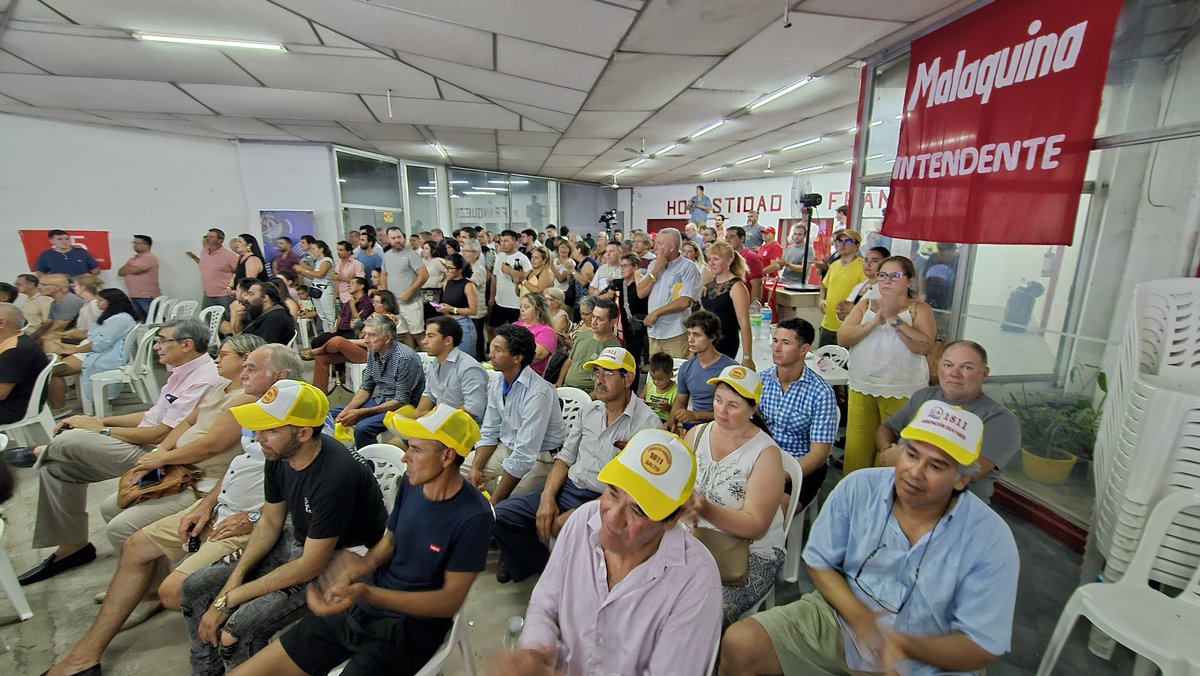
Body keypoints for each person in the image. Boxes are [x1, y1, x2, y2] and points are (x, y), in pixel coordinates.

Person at [720, 402, 1019, 676]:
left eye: (936, 465)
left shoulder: (989, 538)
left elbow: (981, 646)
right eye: (911, 454)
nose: (915, 472)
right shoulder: (859, 488)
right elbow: (820, 562)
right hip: (842, 616)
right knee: (740, 643)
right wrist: (860, 617)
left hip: (932, 649)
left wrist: (904, 647)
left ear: (963, 477)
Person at [235, 404, 494, 676]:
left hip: (407, 629)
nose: (405, 457)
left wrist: (367, 591)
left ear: (447, 456)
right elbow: (391, 539)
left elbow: (448, 602)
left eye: (416, 449)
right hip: (363, 603)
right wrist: (361, 568)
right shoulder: (412, 482)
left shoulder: (473, 517)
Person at [181, 380, 388, 674]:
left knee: (238, 631)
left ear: (303, 433)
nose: (259, 436)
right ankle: (206, 671)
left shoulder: (334, 477)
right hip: (301, 539)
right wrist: (230, 588)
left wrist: (229, 601)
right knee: (194, 588)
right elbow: (269, 521)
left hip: (339, 558)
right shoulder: (279, 454)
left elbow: (310, 564)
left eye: (270, 429)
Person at [10, 319, 224, 584]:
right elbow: (150, 416)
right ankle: (72, 547)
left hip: (165, 456)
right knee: (57, 468)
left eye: (162, 341)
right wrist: (100, 421)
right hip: (146, 443)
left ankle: (40, 449)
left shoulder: (203, 379)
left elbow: (162, 433)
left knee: (70, 441)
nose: (156, 347)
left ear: (187, 344)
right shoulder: (180, 372)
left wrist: (99, 431)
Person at [493, 429, 721, 676]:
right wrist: (535, 654)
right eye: (613, 492)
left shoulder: (696, 581)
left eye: (638, 511)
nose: (612, 519)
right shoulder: (582, 521)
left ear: (674, 517)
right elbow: (545, 604)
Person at [494, 346, 661, 583]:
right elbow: (564, 459)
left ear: (628, 378)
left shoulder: (648, 425)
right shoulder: (588, 411)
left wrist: (581, 514)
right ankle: (548, 570)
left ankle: (568, 577)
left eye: (608, 374)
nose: (599, 381)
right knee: (503, 515)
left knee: (579, 532)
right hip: (569, 488)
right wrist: (547, 497)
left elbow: (637, 490)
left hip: (608, 500)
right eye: (596, 374)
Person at [685, 365, 786, 626]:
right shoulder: (696, 435)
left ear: (753, 410)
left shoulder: (765, 454)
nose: (720, 410)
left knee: (700, 619)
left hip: (746, 554)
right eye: (718, 400)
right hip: (695, 540)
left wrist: (705, 509)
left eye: (733, 405)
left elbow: (755, 525)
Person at [876, 340, 1020, 502]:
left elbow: (973, 471)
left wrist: (903, 458)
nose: (955, 373)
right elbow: (887, 428)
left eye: (967, 367)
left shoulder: (1000, 419)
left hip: (956, 504)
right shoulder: (924, 396)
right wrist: (887, 450)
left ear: (984, 373)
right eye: (948, 365)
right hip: (901, 492)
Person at [839, 256, 936, 475]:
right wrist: (874, 322)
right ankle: (855, 494)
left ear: (909, 280)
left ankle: (885, 496)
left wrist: (894, 319)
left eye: (895, 276)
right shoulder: (865, 304)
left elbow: (923, 346)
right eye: (882, 275)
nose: (887, 281)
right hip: (862, 384)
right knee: (857, 447)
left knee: (891, 449)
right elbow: (843, 337)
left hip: (901, 388)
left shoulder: (919, 309)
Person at [463, 324, 565, 504]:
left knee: (507, 503)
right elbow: (489, 432)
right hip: (507, 448)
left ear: (517, 357)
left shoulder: (538, 392)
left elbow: (525, 454)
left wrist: (493, 505)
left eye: (497, 350)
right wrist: (476, 469)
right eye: (491, 347)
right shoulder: (497, 384)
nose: (490, 354)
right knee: (453, 472)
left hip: (540, 458)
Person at [758, 318, 837, 509]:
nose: (776, 348)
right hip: (763, 458)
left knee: (771, 512)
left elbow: (818, 454)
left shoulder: (821, 393)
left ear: (804, 349)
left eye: (785, 343)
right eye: (775, 341)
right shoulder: (761, 380)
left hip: (802, 466)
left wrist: (784, 475)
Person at [331, 315, 425, 449]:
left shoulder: (404, 358)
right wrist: (347, 410)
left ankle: (370, 464)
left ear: (387, 338)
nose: (366, 340)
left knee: (363, 428)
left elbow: (401, 400)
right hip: (382, 400)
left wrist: (362, 412)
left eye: (371, 335)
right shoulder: (373, 351)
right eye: (365, 335)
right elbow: (366, 387)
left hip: (404, 406)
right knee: (333, 414)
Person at [46, 288, 140, 411]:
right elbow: (91, 335)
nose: (97, 303)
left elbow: (100, 344)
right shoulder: (112, 316)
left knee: (52, 371)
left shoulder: (121, 319)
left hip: (100, 354)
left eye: (100, 300)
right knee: (50, 342)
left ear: (111, 302)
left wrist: (75, 350)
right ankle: (59, 360)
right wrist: (64, 336)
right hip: (92, 349)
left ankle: (58, 408)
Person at [638, 228, 702, 359]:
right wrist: (656, 270)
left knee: (676, 374)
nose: (655, 248)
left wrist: (656, 312)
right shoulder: (653, 265)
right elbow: (641, 292)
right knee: (656, 376)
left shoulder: (688, 267)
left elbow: (685, 301)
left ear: (672, 247)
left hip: (676, 333)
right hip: (654, 332)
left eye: (660, 244)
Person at [670, 310, 737, 433]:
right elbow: (680, 400)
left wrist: (696, 415)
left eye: (697, 335)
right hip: (695, 428)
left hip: (724, 428)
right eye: (689, 334)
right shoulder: (686, 367)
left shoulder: (730, 369)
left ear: (712, 337)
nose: (690, 339)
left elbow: (735, 412)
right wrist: (672, 422)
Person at [416, 316, 488, 424]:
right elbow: (429, 393)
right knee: (398, 437)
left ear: (448, 340)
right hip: (440, 423)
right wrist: (416, 416)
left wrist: (435, 418)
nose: (424, 342)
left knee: (416, 441)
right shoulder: (434, 363)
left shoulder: (469, 368)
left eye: (430, 336)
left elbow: (474, 408)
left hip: (465, 426)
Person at [702, 240, 754, 367]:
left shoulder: (736, 286)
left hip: (725, 343)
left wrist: (747, 357)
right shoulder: (709, 286)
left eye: (716, 259)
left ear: (729, 261)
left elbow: (744, 323)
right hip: (707, 342)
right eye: (709, 259)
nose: (711, 263)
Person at [378, 227, 429, 349]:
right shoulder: (386, 255)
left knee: (418, 333)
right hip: (394, 303)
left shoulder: (411, 254)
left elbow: (424, 275)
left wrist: (409, 291)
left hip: (412, 301)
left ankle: (432, 361)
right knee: (403, 334)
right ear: (388, 240)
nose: (397, 240)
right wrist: (384, 296)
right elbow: (384, 274)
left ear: (403, 238)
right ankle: (411, 360)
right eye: (393, 238)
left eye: (399, 237)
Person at [0, 302, 50, 425]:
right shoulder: (16, 342)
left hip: (12, 408)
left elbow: (1, 393)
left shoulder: (16, 351)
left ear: (2, 323)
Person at [556, 297, 620, 391]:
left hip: (587, 392)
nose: (594, 322)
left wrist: (591, 397)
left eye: (599, 319)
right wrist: (559, 383)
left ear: (612, 322)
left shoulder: (614, 349)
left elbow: (609, 382)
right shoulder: (583, 336)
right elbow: (569, 361)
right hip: (566, 388)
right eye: (593, 316)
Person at [818, 229, 867, 347]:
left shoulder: (863, 267)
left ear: (857, 245)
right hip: (827, 324)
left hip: (847, 326)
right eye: (839, 240)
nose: (842, 244)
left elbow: (867, 296)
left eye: (848, 241)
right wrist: (821, 299)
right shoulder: (834, 265)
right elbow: (824, 285)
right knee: (822, 362)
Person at [436, 253, 480, 357]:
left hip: (463, 324)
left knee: (464, 357)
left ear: (459, 270)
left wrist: (453, 309)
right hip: (448, 322)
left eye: (450, 268)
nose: (447, 271)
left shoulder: (468, 285)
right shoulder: (447, 282)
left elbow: (473, 310)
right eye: (446, 267)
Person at [488, 230, 531, 336]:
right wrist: (492, 296)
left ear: (515, 242)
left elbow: (528, 278)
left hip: (515, 303)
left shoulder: (522, 259)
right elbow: (494, 277)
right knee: (492, 327)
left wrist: (511, 271)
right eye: (501, 241)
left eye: (506, 241)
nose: (503, 244)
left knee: (514, 332)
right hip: (499, 300)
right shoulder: (499, 256)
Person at [28, 274, 84, 351]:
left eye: (44, 284)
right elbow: (47, 324)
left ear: (57, 288)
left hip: (77, 338)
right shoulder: (55, 302)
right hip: (65, 335)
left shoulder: (69, 301)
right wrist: (30, 339)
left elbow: (57, 328)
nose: (39, 287)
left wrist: (34, 345)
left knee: (48, 339)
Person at [187, 229, 238, 309]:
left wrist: (233, 289)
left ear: (220, 240)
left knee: (228, 319)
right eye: (207, 236)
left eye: (211, 237)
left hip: (225, 295)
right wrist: (193, 257)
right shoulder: (204, 252)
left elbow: (239, 272)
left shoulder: (229, 255)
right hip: (208, 294)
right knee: (207, 319)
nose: (207, 239)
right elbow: (206, 266)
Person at [615, 253, 648, 374]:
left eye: (625, 266)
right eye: (620, 266)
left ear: (635, 267)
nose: (622, 269)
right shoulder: (620, 283)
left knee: (635, 358)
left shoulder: (641, 284)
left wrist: (638, 276)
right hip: (625, 326)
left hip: (638, 326)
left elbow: (642, 294)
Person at [837, 245, 889, 322]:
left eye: (874, 261)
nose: (868, 264)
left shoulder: (887, 290)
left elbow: (884, 321)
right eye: (866, 260)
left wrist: (854, 311)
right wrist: (841, 311)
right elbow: (847, 313)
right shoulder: (859, 286)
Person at [295, 239, 337, 331]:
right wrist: (302, 272)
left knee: (329, 316)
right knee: (322, 316)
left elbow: (320, 274)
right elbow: (315, 277)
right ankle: (327, 335)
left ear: (321, 249)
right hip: (317, 289)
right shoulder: (318, 261)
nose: (312, 251)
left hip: (325, 290)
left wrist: (303, 270)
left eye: (314, 249)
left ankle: (333, 334)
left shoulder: (327, 260)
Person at [513, 292, 558, 377]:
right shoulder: (515, 325)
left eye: (526, 307)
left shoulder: (546, 331)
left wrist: (509, 357)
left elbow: (536, 355)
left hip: (530, 376)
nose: (522, 310)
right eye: (521, 307)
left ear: (538, 310)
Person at [240, 280, 296, 346]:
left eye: (251, 294)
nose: (247, 298)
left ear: (264, 298)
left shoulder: (274, 318)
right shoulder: (261, 313)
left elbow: (264, 346)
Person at [460, 239, 490, 361]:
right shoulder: (465, 267)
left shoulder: (479, 269)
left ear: (476, 253)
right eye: (463, 251)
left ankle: (479, 359)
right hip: (465, 308)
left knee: (477, 337)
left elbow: (469, 284)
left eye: (468, 251)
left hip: (477, 309)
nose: (464, 253)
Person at [117, 234, 160, 316]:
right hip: (134, 295)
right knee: (141, 321)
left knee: (152, 321)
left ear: (147, 245)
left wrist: (128, 266)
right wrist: (130, 267)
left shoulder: (150, 258)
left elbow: (136, 270)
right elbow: (120, 272)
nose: (135, 245)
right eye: (134, 243)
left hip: (147, 296)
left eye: (138, 243)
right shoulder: (133, 259)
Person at [35, 229, 101, 278]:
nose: (64, 242)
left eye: (66, 239)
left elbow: (96, 269)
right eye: (60, 239)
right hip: (59, 288)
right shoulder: (46, 255)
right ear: (51, 241)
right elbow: (39, 273)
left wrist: (87, 276)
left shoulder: (81, 252)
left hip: (82, 286)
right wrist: (54, 277)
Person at [726, 225, 764, 304]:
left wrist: (753, 308)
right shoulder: (726, 256)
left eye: (732, 237)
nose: (728, 240)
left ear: (742, 238)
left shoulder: (751, 257)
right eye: (726, 237)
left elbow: (756, 285)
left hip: (743, 303)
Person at [644, 352, 677, 423]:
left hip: (665, 420)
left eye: (660, 379)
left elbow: (678, 412)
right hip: (647, 417)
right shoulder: (649, 385)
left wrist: (668, 407)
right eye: (653, 378)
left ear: (671, 374)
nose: (656, 382)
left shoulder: (676, 390)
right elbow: (641, 398)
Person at [333, 240, 365, 304]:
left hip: (350, 297)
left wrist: (342, 278)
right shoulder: (338, 263)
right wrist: (335, 296)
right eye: (338, 250)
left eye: (341, 250)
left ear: (349, 251)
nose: (338, 252)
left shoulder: (357, 264)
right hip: (338, 297)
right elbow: (336, 281)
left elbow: (361, 282)